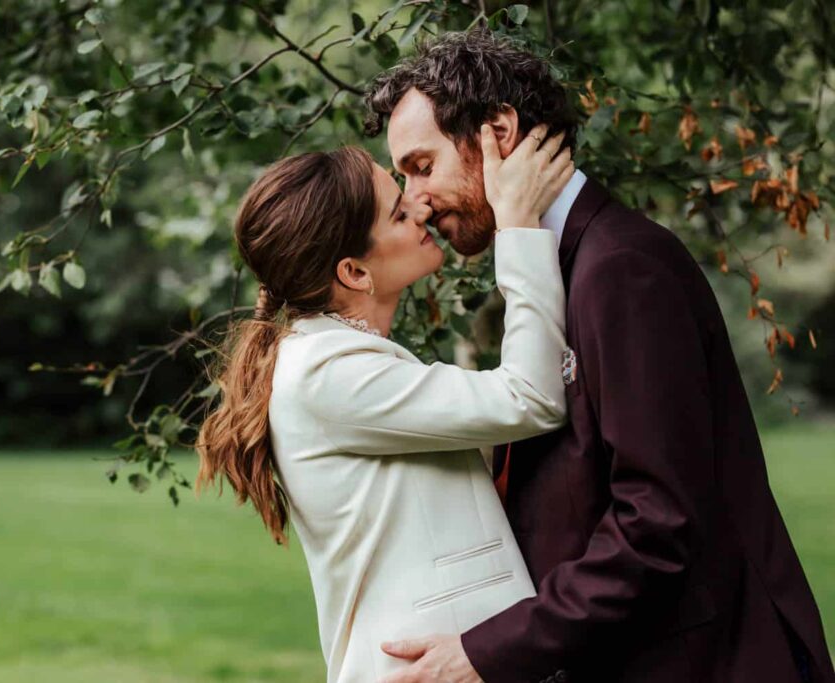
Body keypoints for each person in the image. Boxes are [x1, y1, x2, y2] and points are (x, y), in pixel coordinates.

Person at [364, 28, 835, 683]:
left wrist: (487, 651)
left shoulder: (622, 268)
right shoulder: (553, 269)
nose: (414, 199)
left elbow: (657, 521)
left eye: (422, 166)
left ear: (498, 132)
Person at [196, 124, 574, 682]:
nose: (421, 208)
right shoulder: (328, 374)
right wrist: (518, 226)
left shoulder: (340, 360)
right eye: (398, 213)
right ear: (354, 273)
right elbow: (530, 397)